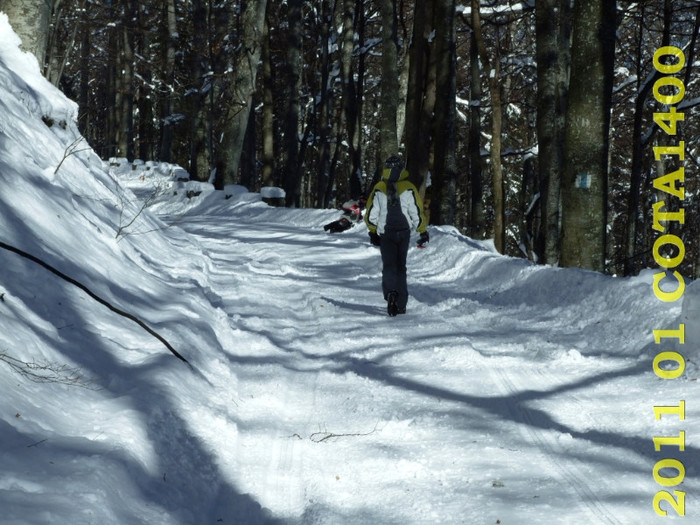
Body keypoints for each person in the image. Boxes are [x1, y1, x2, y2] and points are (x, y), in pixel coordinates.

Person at [364, 156, 428, 316]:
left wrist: (372, 231)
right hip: (404, 232)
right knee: (401, 266)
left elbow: (372, 212)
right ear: (401, 168)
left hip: (386, 233)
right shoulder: (409, 187)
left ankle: (391, 293)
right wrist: (422, 230)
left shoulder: (379, 187)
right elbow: (416, 211)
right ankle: (401, 304)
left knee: (389, 265)